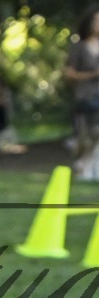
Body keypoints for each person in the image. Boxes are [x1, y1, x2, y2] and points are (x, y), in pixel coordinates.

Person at [66, 9, 99, 177]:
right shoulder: (79, 47)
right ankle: (82, 164)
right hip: (86, 96)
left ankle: (91, 168)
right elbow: (69, 73)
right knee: (86, 133)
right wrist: (92, 75)